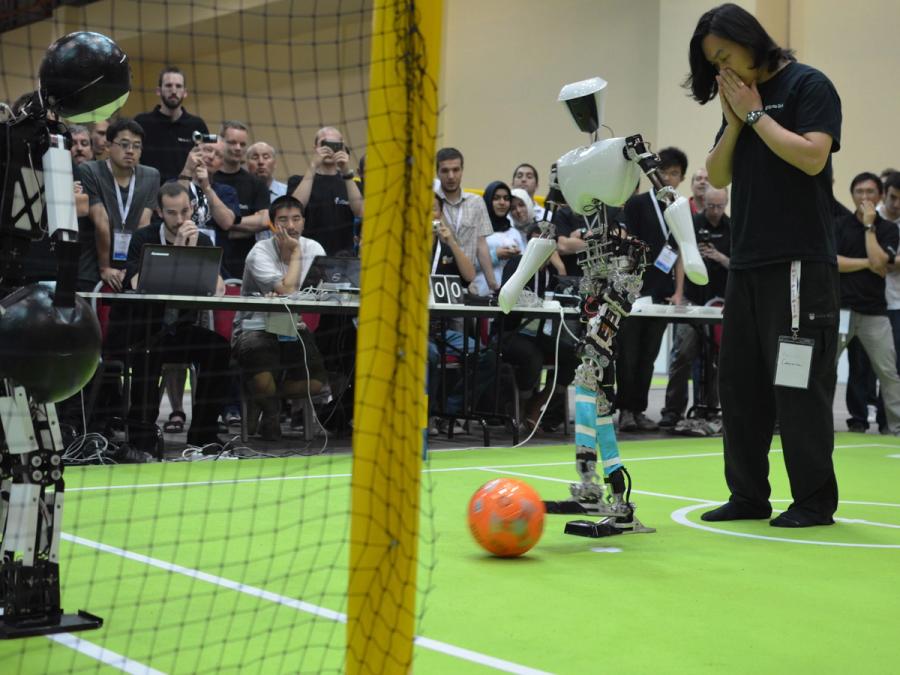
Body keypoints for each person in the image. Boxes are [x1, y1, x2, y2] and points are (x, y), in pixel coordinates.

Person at [686, 2, 842, 527]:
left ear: (750, 41)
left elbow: (813, 155)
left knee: (796, 384)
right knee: (741, 384)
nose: (722, 70)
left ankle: (814, 500)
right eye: (714, 64)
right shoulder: (739, 101)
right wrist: (735, 121)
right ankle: (748, 495)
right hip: (748, 265)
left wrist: (756, 115)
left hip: (799, 264)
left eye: (725, 56)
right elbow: (718, 175)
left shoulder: (807, 86)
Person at [107, 182, 231, 452]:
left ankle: (203, 435)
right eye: (172, 213)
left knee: (219, 349)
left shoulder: (204, 239)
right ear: (160, 213)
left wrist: (195, 250)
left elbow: (219, 289)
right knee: (148, 353)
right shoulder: (143, 238)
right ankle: (142, 437)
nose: (180, 219)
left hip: (178, 329)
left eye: (185, 211)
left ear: (193, 209)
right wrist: (178, 248)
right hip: (140, 329)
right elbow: (139, 282)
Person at [232, 195, 328, 440]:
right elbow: (289, 291)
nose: (292, 226)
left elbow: (316, 293)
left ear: (304, 222)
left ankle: (261, 399)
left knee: (317, 384)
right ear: (273, 226)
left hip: (293, 327)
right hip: (254, 327)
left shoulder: (315, 249)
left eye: (296, 219)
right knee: (263, 379)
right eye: (283, 220)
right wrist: (295, 253)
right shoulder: (259, 252)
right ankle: (271, 414)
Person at [615, 146, 688, 432]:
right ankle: (624, 411)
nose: (669, 178)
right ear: (653, 173)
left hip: (662, 293)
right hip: (634, 292)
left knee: (649, 355)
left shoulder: (679, 207)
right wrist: (627, 284)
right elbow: (626, 247)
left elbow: (681, 251)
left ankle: (638, 409)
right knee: (628, 353)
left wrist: (679, 291)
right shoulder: (638, 205)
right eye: (664, 172)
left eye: (675, 174)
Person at [660, 186, 731, 428]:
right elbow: (678, 256)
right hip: (691, 300)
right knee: (683, 352)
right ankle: (672, 410)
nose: (715, 211)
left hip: (720, 303)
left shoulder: (732, 228)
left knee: (718, 357)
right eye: (710, 205)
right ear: (704, 203)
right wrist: (678, 294)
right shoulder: (690, 223)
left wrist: (720, 258)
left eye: (719, 206)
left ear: (726, 204)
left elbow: (740, 264)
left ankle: (712, 407)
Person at [834, 172, 900, 434]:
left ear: (880, 196)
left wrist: (870, 226)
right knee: (826, 371)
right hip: (841, 310)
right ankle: (818, 424)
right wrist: (867, 264)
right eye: (859, 192)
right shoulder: (839, 225)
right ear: (852, 195)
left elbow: (882, 263)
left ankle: (896, 427)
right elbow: (833, 262)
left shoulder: (888, 229)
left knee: (888, 371)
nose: (864, 197)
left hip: (875, 312)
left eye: (870, 192)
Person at [79, 117, 160, 292]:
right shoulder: (90, 170)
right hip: (93, 268)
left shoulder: (151, 176)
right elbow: (101, 222)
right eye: (124, 144)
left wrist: (132, 267)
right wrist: (105, 268)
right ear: (108, 146)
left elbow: (143, 225)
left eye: (136, 146)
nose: (130, 151)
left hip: (131, 268)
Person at [289, 126, 364, 256]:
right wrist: (313, 165)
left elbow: (359, 212)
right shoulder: (297, 180)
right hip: (307, 256)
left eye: (335, 145)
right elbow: (295, 207)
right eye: (324, 144)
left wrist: (346, 170)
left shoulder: (352, 182)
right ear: (315, 148)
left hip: (343, 257)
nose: (329, 150)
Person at [433, 147, 498, 295]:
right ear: (437, 172)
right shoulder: (431, 203)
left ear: (462, 170)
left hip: (467, 283)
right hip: (436, 282)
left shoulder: (476, 202)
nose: (451, 176)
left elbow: (481, 246)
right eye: (445, 171)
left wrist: (493, 285)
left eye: (456, 170)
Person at [213, 121, 272, 278]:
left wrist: (226, 223)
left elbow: (264, 221)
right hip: (211, 261)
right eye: (232, 142)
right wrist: (247, 226)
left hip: (244, 265)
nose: (238, 148)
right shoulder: (209, 179)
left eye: (242, 144)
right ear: (220, 142)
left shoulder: (256, 183)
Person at [135, 66, 211, 183]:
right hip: (150, 193)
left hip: (186, 193)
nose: (174, 91)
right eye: (168, 85)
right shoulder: (141, 122)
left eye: (178, 86)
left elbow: (206, 159)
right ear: (158, 90)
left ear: (185, 92)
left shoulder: (197, 125)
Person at [472, 181, 522, 295]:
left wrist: (517, 256)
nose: (502, 202)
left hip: (510, 297)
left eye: (506, 198)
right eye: (496, 198)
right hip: (481, 294)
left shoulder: (514, 232)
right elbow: (468, 266)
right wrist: (495, 255)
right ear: (488, 201)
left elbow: (524, 266)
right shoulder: (477, 229)